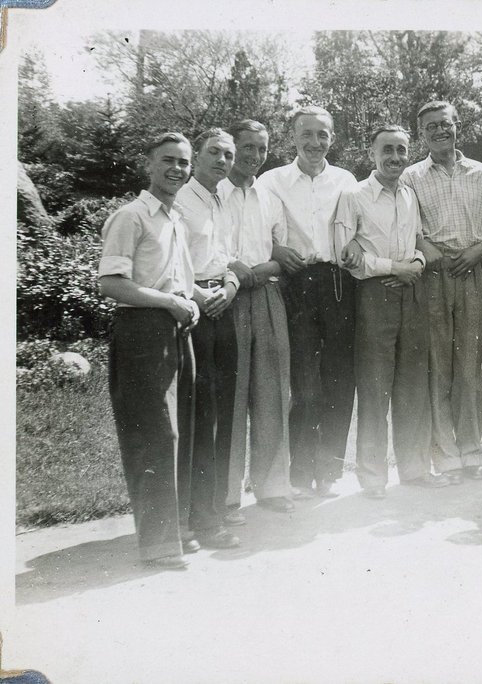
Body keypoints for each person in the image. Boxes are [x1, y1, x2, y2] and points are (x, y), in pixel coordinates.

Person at [99, 132, 199, 570]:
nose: (177, 169)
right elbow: (111, 283)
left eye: (183, 162)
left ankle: (172, 530)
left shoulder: (176, 217)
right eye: (168, 161)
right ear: (149, 165)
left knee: (180, 431)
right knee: (154, 435)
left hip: (176, 327)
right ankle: (157, 545)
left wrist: (189, 299)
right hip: (141, 330)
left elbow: (178, 279)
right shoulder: (131, 216)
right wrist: (170, 302)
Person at [335, 124, 448, 498]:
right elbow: (346, 255)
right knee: (374, 388)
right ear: (371, 153)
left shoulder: (409, 194)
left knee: (412, 385)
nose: (395, 158)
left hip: (411, 291)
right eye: (387, 150)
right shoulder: (354, 196)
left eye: (401, 150)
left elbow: (415, 239)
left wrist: (414, 262)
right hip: (374, 295)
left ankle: (414, 469)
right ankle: (372, 478)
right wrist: (392, 268)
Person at [258, 106, 359, 500]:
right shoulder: (272, 181)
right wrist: (276, 249)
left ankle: (329, 471)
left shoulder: (346, 181)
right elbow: (254, 230)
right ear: (293, 137)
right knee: (304, 384)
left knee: (339, 378)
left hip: (338, 283)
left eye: (323, 135)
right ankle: (299, 474)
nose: (315, 143)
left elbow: (359, 229)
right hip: (295, 282)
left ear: (332, 138)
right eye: (307, 134)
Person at [402, 100, 482, 484]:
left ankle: (472, 452)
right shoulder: (411, 176)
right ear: (421, 134)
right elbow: (411, 229)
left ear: (458, 126)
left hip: (475, 270)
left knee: (470, 367)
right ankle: (446, 457)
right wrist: (433, 255)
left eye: (446, 124)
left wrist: (480, 250)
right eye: (431, 127)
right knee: (438, 366)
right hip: (434, 274)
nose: (440, 131)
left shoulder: (479, 172)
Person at [220, 119, 295, 516]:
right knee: (231, 395)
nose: (253, 156)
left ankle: (272, 486)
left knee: (271, 393)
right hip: (226, 298)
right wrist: (233, 266)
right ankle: (227, 494)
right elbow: (204, 248)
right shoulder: (211, 192)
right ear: (231, 148)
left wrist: (265, 268)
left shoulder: (268, 196)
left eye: (261, 149)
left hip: (265, 296)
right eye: (246, 147)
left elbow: (279, 251)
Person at [177, 128, 242, 548]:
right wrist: (200, 294)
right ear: (196, 156)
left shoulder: (222, 199)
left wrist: (231, 286)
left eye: (228, 155)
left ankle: (211, 510)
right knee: (201, 416)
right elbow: (174, 261)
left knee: (222, 413)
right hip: (196, 308)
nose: (222, 160)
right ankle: (196, 519)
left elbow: (228, 258)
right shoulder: (182, 200)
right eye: (214, 153)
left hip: (223, 305)